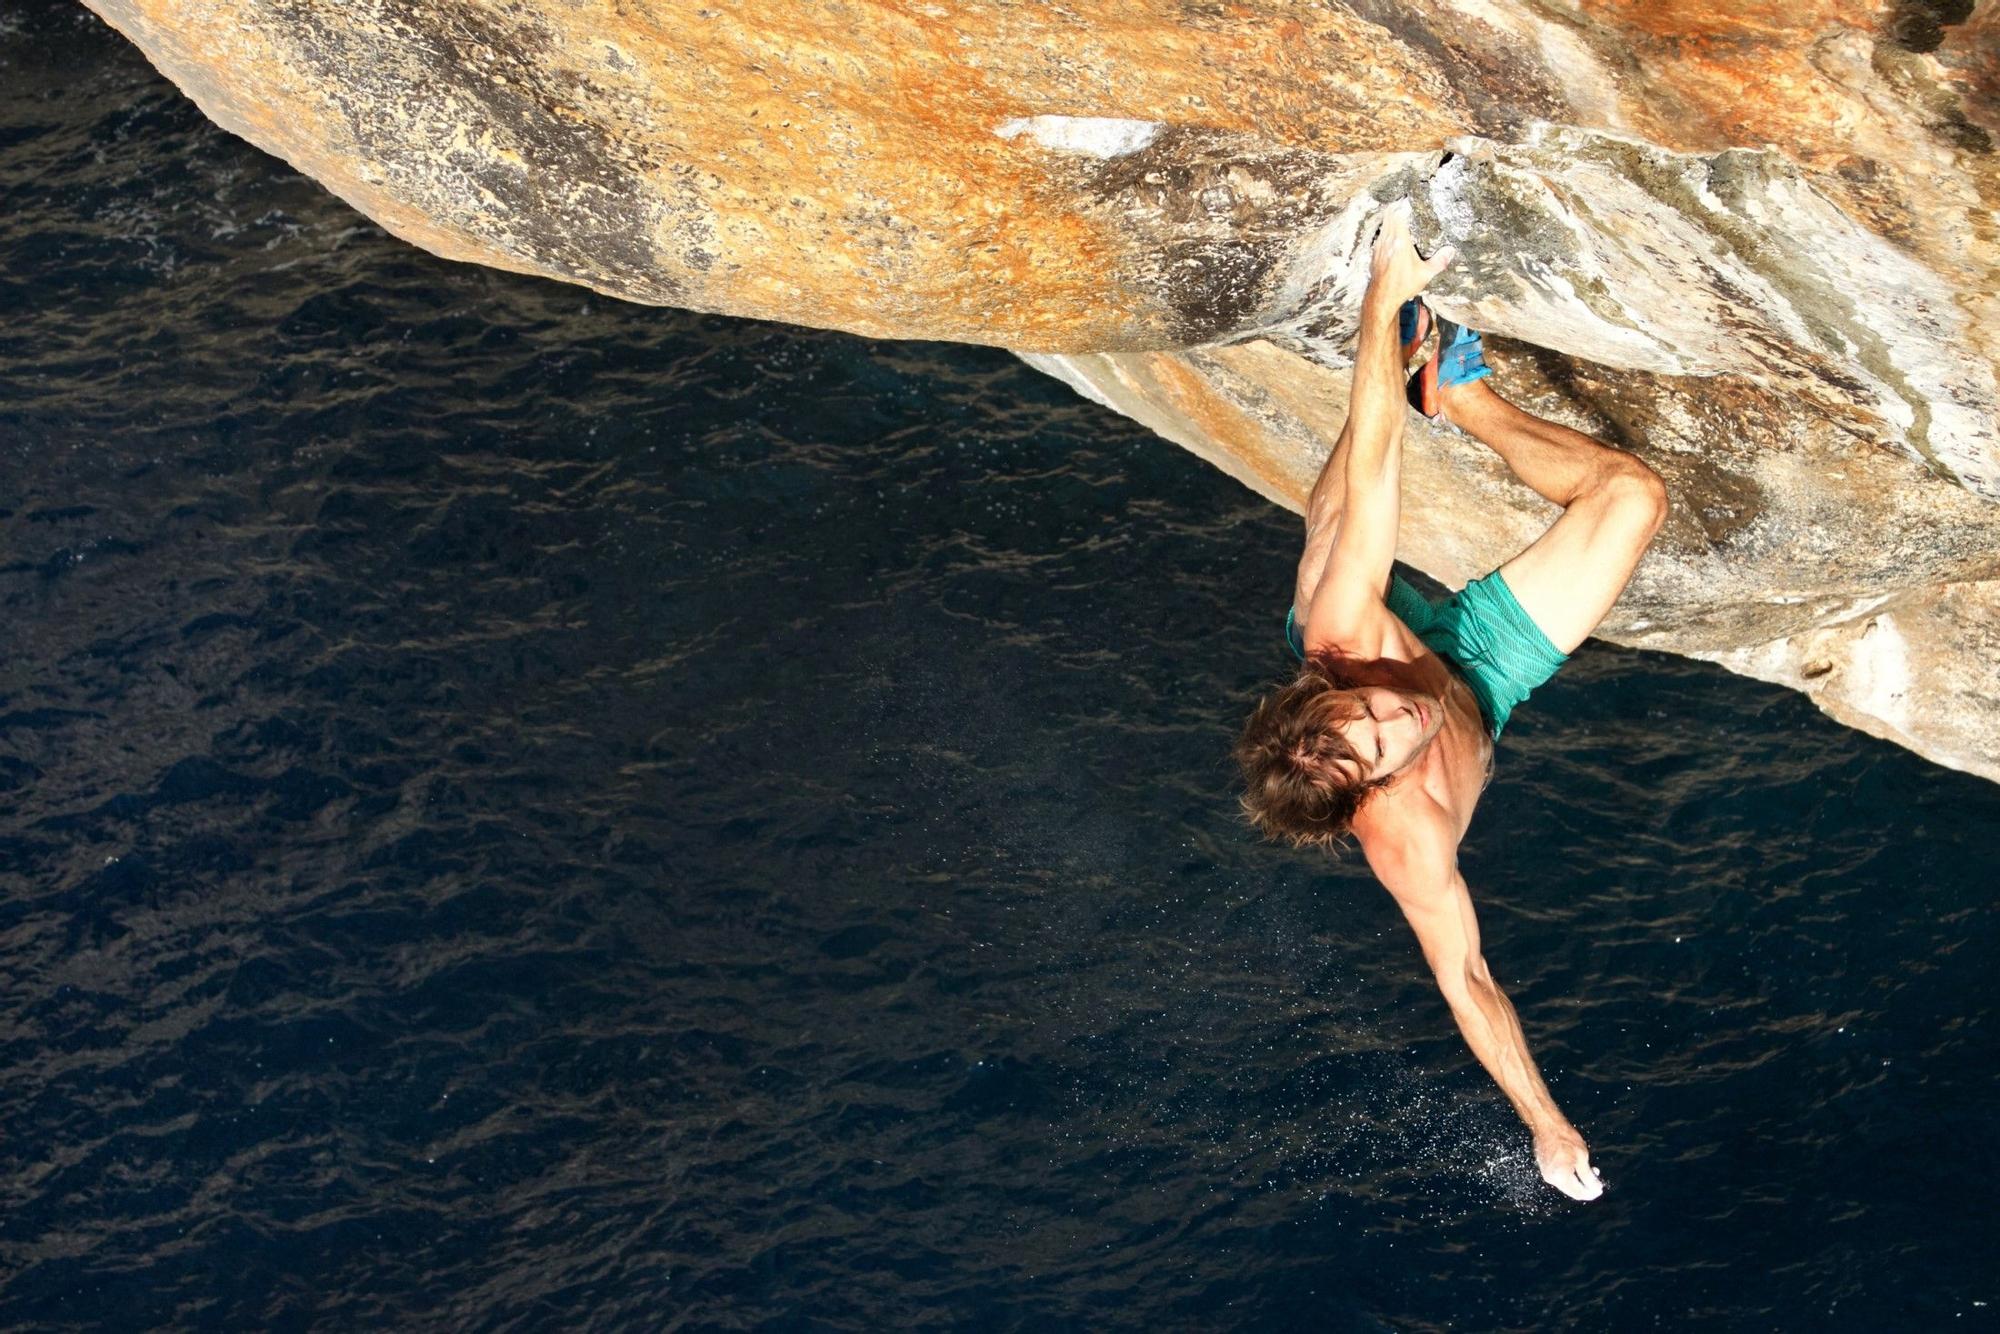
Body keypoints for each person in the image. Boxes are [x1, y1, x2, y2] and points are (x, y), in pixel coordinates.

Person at [1233, 202, 1668, 1203]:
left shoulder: (1350, 648)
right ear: (1374, 791)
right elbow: (1465, 979)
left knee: (1336, 530)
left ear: (1327, 694)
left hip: (1398, 627)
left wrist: (1383, 293)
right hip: (1486, 672)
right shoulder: (1404, 838)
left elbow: (1380, 470)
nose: (1399, 714)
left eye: (1364, 709)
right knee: (1630, 496)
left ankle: (1425, 379)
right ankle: (1457, 391)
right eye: (1384, 741)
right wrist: (1544, 1123)